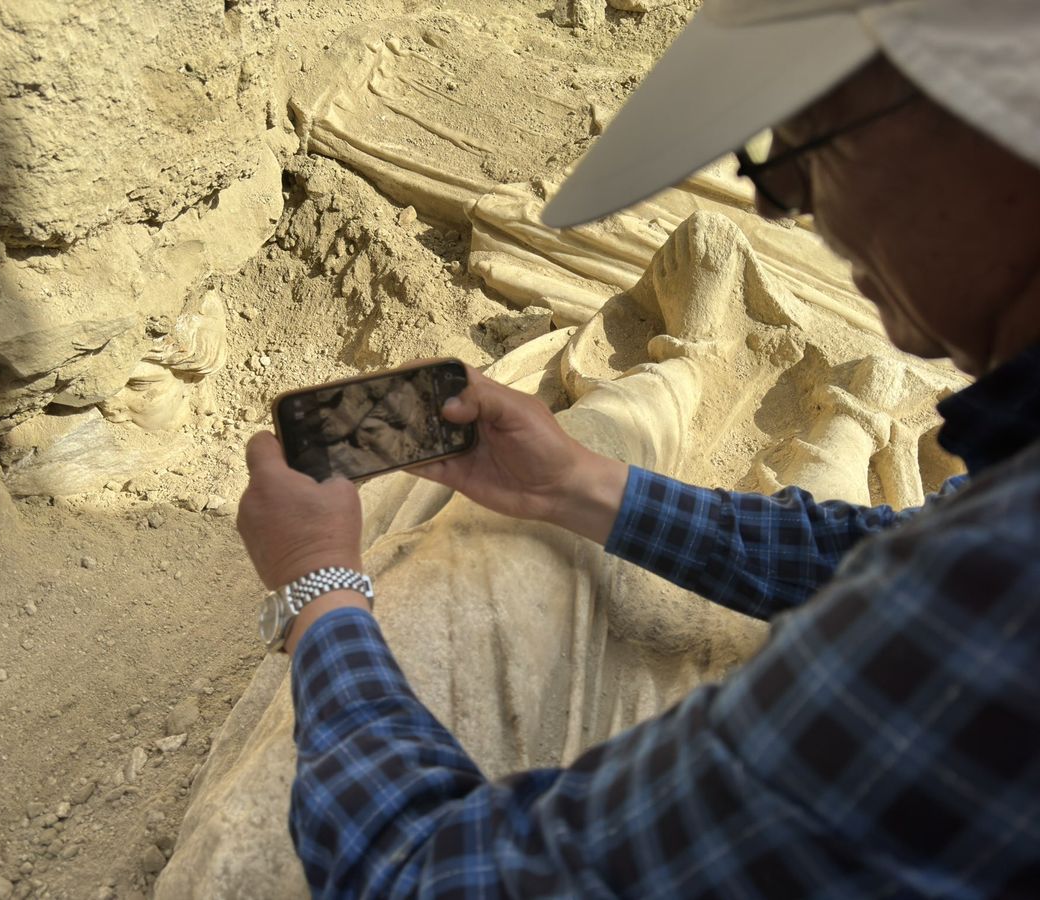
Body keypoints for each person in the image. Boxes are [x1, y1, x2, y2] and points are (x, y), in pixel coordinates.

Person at [237, 1, 1040, 895]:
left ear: (991, 121)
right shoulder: (994, 539)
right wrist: (576, 486)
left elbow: (434, 877)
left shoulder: (997, 589)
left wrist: (317, 585)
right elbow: (872, 554)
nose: (794, 210)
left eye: (808, 149)